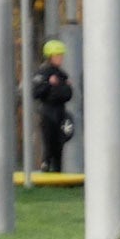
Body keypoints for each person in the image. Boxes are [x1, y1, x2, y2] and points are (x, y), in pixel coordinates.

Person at [31, 40, 76, 177]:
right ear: (50, 56)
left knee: (59, 141)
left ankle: (57, 170)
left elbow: (67, 94)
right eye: (58, 55)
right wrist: (49, 85)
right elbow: (36, 93)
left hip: (60, 111)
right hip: (47, 111)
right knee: (48, 140)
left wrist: (65, 87)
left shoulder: (62, 74)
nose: (61, 58)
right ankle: (46, 166)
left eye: (61, 55)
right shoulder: (43, 73)